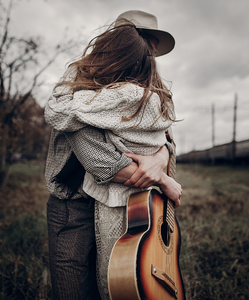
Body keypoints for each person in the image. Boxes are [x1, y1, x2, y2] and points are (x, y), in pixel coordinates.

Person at [44, 10, 181, 300]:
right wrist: (163, 181)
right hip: (76, 204)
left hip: (125, 208)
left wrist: (161, 158)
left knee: (122, 286)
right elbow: (99, 161)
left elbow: (166, 137)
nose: (149, 52)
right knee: (74, 292)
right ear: (118, 43)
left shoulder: (147, 91)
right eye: (143, 41)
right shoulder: (77, 89)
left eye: (151, 46)